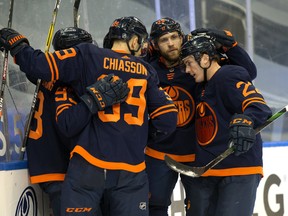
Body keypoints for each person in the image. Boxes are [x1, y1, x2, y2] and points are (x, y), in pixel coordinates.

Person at [0, 16, 178, 215]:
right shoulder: (146, 70)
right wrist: (140, 136)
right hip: (131, 169)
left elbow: (38, 66)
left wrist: (18, 45)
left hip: (89, 164)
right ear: (134, 41)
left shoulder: (88, 55)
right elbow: (168, 119)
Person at [144, 17, 258, 216]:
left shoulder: (197, 63)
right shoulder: (150, 68)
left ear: (182, 37)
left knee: (199, 211)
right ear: (155, 44)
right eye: (163, 40)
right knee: (154, 207)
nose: (170, 43)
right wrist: (144, 55)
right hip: (158, 153)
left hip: (196, 155)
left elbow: (247, 72)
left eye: (174, 37)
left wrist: (231, 47)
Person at [20, 26, 120, 216]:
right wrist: (95, 98)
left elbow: (35, 68)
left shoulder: (49, 74)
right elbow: (69, 124)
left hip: (52, 164)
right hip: (60, 167)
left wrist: (21, 48)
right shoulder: (65, 84)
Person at [179, 34, 272, 216]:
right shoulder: (201, 86)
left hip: (238, 168)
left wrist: (246, 120)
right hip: (208, 171)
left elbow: (258, 107)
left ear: (205, 58)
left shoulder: (227, 76)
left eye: (189, 63)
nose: (187, 69)